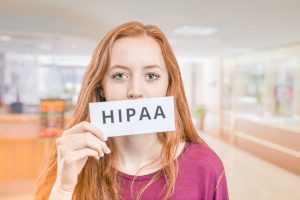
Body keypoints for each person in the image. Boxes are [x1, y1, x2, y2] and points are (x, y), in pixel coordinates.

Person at [34, 21, 229, 200]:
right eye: (119, 75)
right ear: (100, 87)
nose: (135, 91)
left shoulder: (206, 166)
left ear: (169, 86)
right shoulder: (73, 160)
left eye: (151, 75)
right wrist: (63, 189)